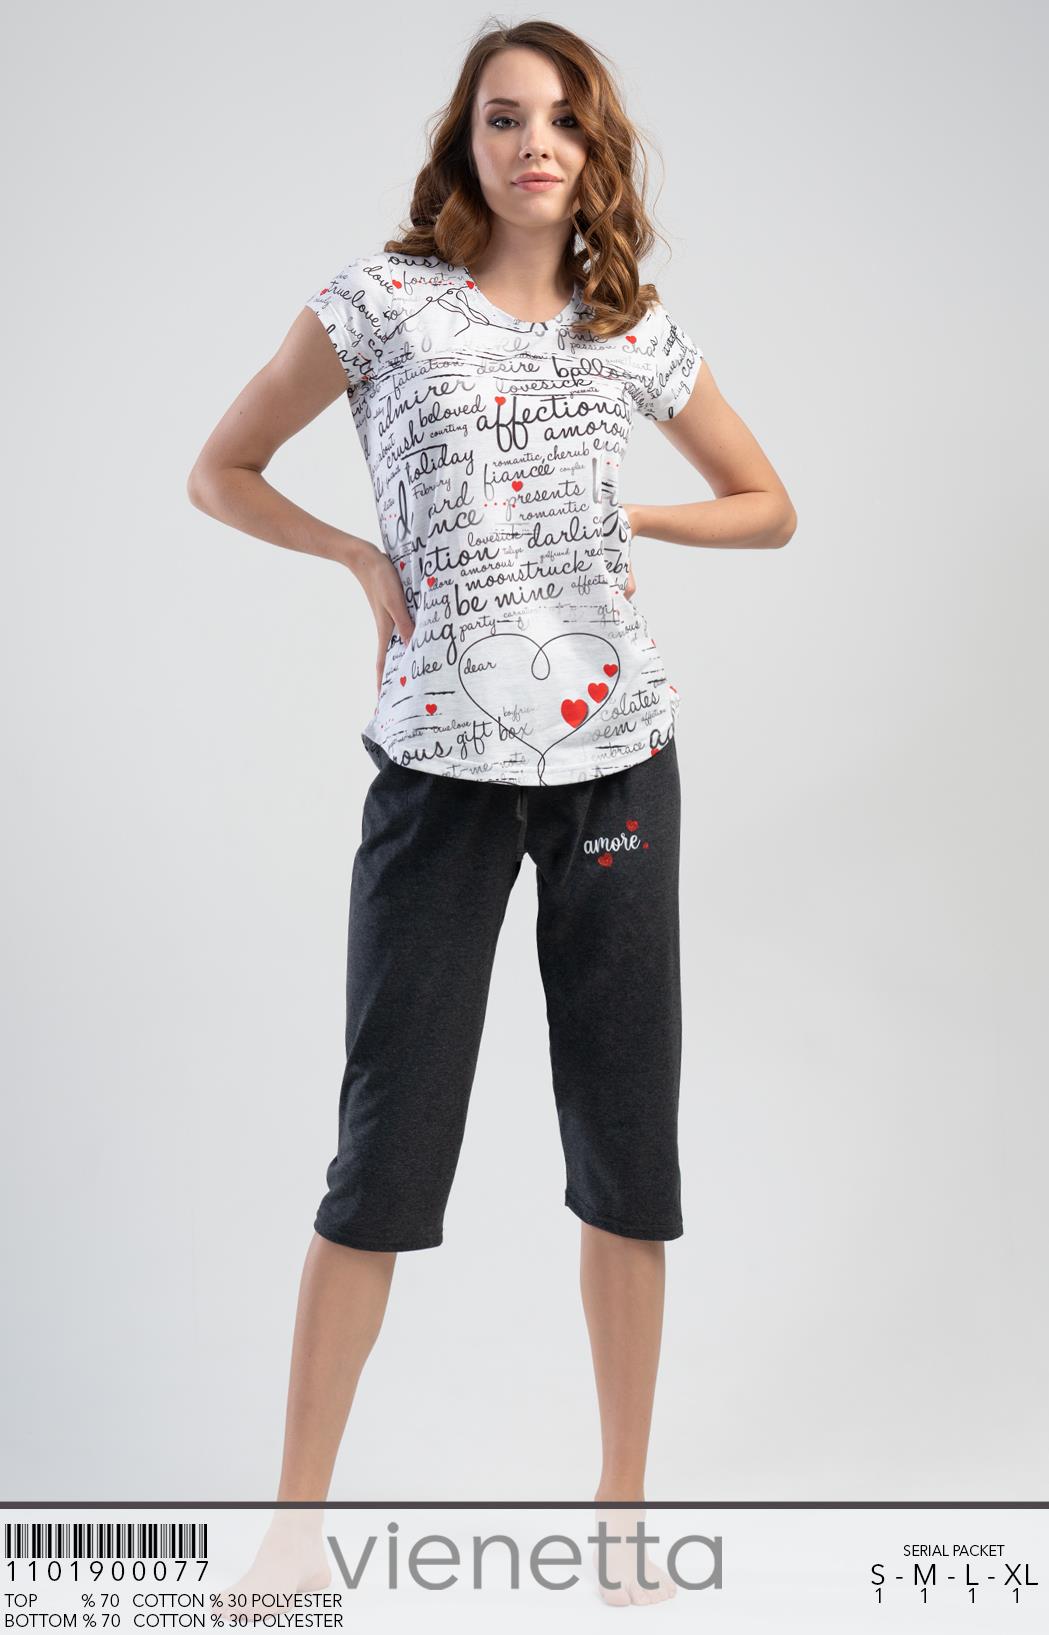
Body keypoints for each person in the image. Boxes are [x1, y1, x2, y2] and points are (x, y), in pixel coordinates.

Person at [188, 18, 795, 1611]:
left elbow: (769, 507)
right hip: (439, 776)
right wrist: (352, 555)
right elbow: (221, 468)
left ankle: (618, 1514)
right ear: (464, 143)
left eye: (565, 122)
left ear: (596, 154)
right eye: (504, 118)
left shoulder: (629, 329)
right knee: (383, 1154)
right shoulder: (380, 305)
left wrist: (631, 510)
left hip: (616, 768)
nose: (536, 145)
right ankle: (293, 1527)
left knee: (625, 1147)